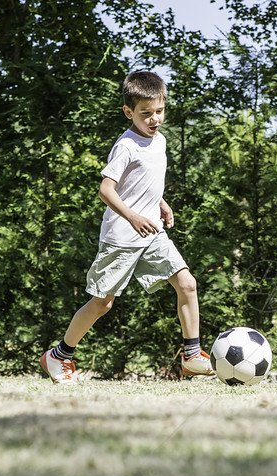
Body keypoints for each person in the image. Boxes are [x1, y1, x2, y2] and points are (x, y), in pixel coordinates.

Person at [40, 70, 213, 384]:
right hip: (122, 236)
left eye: (159, 111)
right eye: (146, 113)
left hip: (152, 233)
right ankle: (59, 356)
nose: (154, 119)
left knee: (188, 284)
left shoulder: (159, 141)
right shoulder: (126, 145)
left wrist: (160, 203)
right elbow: (106, 190)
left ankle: (191, 356)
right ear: (128, 112)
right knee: (102, 303)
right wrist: (132, 216)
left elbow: (144, 184)